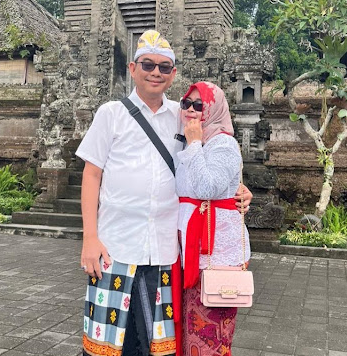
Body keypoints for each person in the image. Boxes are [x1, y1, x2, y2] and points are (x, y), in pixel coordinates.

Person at [76, 30, 251, 356]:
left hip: (166, 248)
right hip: (115, 244)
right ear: (133, 69)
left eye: (164, 67)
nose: (155, 72)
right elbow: (92, 174)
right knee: (108, 343)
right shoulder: (111, 114)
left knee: (157, 345)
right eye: (148, 65)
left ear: (172, 74)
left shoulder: (183, 115)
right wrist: (89, 237)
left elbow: (207, 159)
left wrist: (236, 189)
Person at [176, 81, 250, 356]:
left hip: (217, 255)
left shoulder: (223, 144)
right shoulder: (188, 141)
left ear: (213, 109)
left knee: (211, 338)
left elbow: (208, 188)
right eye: (186, 104)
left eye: (199, 105)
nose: (191, 110)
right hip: (192, 252)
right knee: (192, 334)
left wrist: (195, 144)